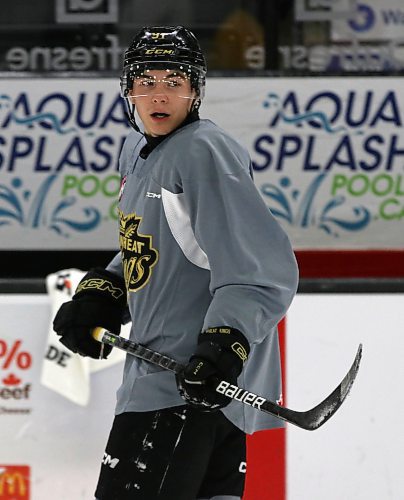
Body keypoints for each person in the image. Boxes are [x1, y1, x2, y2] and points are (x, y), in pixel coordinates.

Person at [52, 25, 299, 500]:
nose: (158, 94)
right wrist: (105, 292)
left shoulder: (203, 150)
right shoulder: (139, 150)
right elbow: (159, 246)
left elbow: (262, 271)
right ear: (128, 89)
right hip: (175, 386)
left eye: (174, 81)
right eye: (146, 81)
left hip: (189, 390)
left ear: (195, 91)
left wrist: (226, 344)